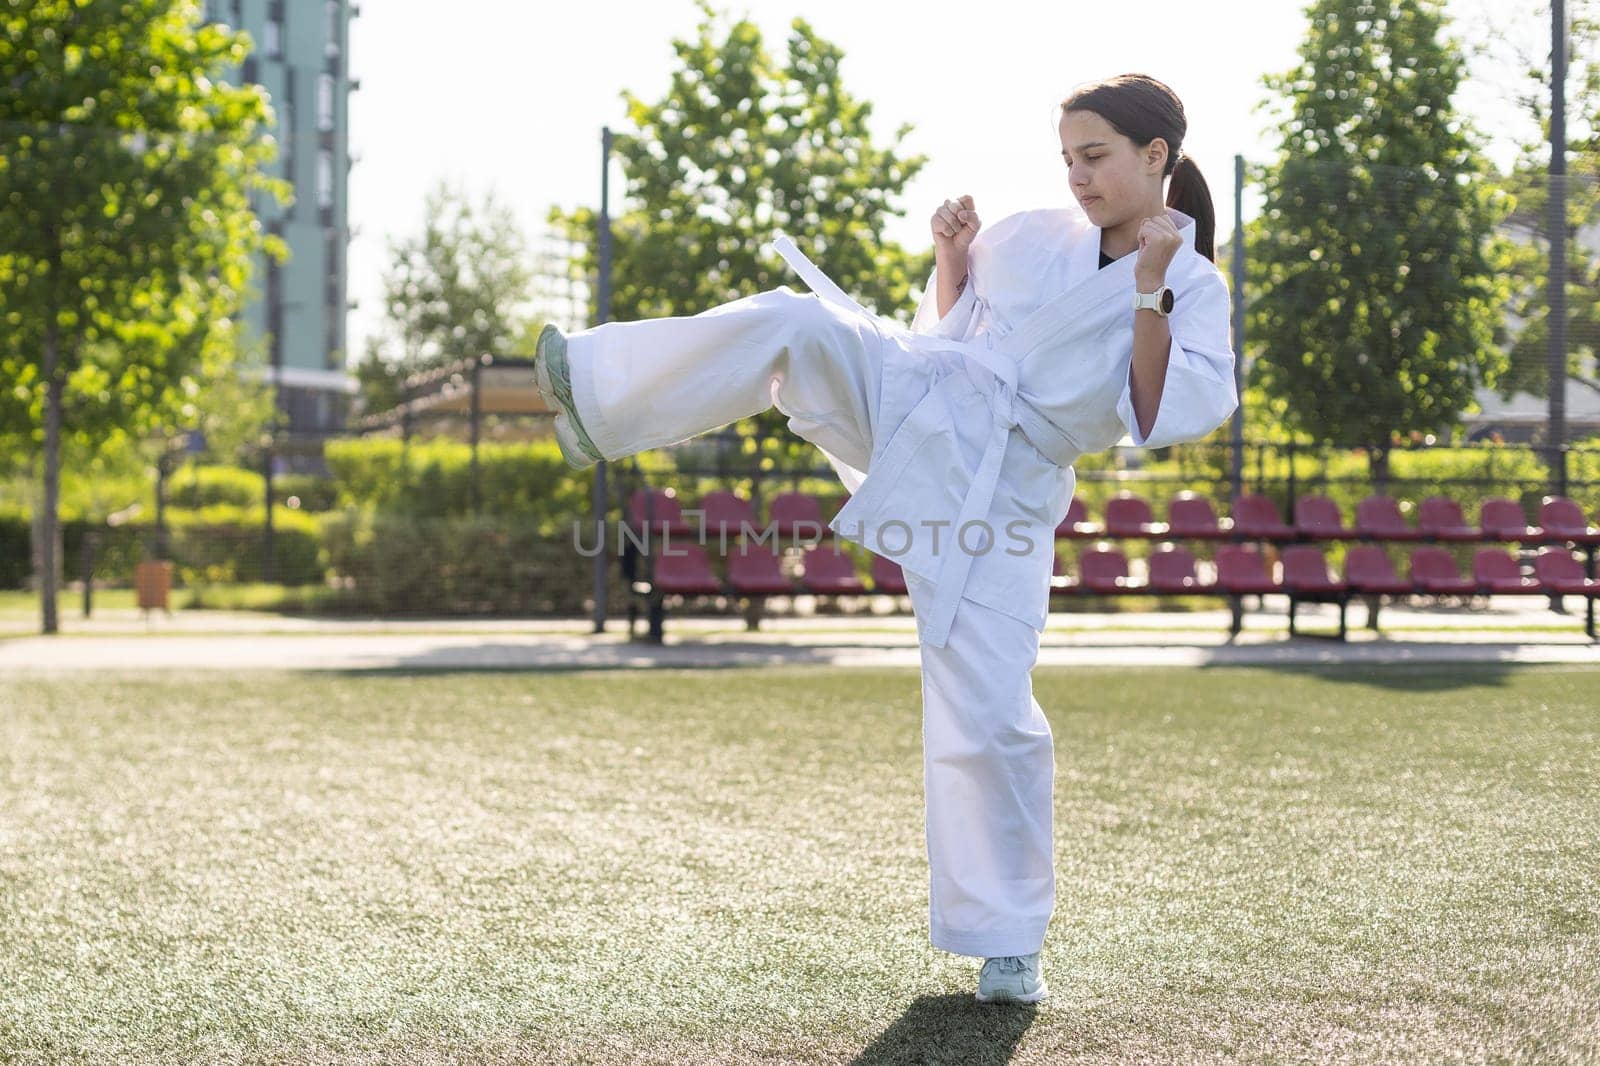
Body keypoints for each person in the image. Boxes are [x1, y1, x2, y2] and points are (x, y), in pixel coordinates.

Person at [534, 73, 1238, 1006]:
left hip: (1007, 495)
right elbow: (949, 322)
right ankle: (596, 394)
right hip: (923, 404)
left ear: (1156, 157)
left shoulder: (1194, 285)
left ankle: (1008, 941)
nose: (1076, 176)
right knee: (797, 323)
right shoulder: (1034, 234)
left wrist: (1148, 292)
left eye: (1095, 156)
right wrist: (949, 256)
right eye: (1067, 156)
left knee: (988, 712)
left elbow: (1152, 415)